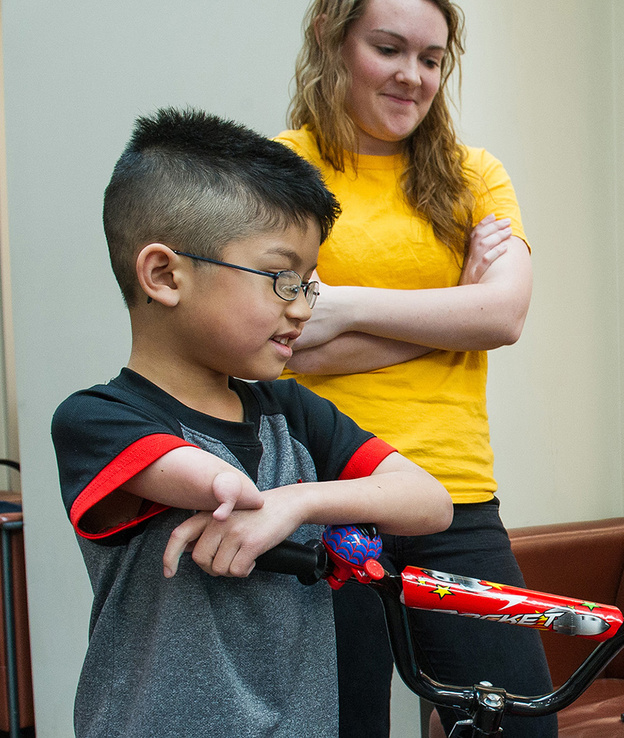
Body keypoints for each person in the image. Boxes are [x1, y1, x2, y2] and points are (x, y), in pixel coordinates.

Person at [50, 108, 452, 737]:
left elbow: (429, 501)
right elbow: (218, 485)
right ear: (164, 275)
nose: (302, 308)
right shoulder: (96, 418)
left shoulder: (292, 414)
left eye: (310, 285)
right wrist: (290, 504)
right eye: (281, 279)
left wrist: (293, 505)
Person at [275, 1, 553, 735]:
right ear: (332, 41)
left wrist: (349, 306)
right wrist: (454, 307)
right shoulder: (277, 171)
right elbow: (281, 346)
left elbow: (505, 317)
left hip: (453, 495)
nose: (412, 76)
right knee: (344, 725)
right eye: (389, 49)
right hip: (323, 492)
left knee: (517, 723)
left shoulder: (473, 174)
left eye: (431, 59)